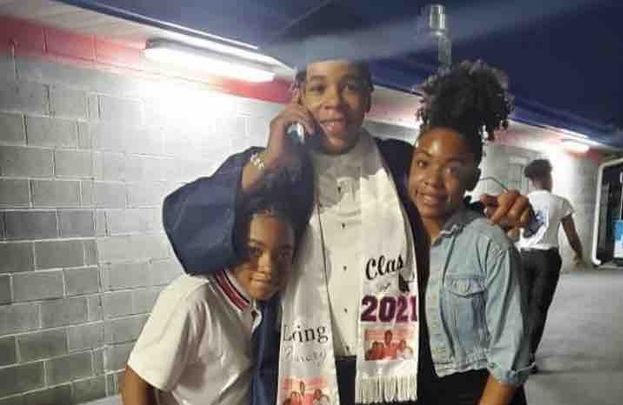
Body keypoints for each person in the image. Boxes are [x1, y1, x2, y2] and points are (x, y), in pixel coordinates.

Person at [161, 57, 532, 405]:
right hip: (296, 366)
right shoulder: (276, 170)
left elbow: (445, 212)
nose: (334, 102)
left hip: (393, 371)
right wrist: (267, 161)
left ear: (369, 97)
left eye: (350, 87)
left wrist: (507, 209)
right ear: (298, 95)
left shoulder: (398, 163)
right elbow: (187, 227)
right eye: (318, 88)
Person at [409, 60, 530, 405]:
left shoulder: (489, 245)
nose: (433, 180)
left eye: (452, 169)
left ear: (472, 179)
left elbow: (510, 359)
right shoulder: (395, 235)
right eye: (423, 163)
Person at [120, 196, 299, 405]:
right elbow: (135, 383)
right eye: (254, 251)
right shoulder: (193, 299)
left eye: (283, 255)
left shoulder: (271, 303)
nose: (269, 267)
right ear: (232, 245)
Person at [517, 158, 583, 373]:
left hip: (524, 257)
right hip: (547, 260)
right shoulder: (560, 202)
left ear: (531, 180)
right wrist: (579, 253)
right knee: (538, 307)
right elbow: (572, 236)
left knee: (521, 306)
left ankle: (515, 351)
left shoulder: (522, 200)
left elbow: (512, 231)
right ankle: (527, 356)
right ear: (547, 177)